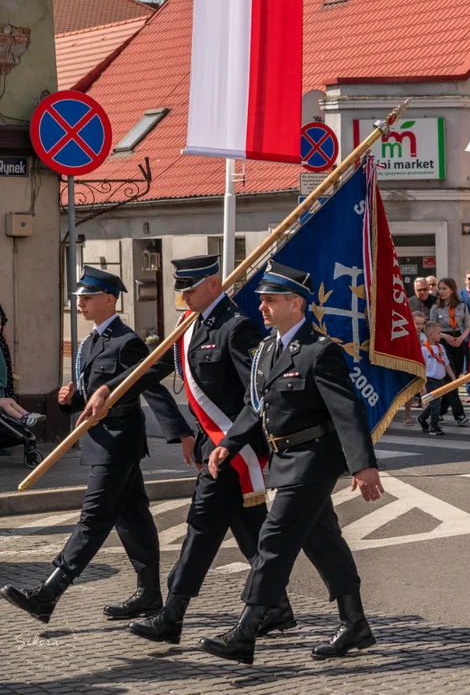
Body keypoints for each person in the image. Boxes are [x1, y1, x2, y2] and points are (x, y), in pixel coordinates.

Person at [73, 256, 294, 644]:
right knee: (250, 531)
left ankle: (171, 615)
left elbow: (256, 394)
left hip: (231, 450)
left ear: (214, 283)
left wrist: (231, 441)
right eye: (182, 289)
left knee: (200, 529)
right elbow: (153, 367)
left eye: (191, 288)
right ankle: (276, 607)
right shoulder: (192, 326)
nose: (185, 296)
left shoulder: (235, 327)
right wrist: (110, 388)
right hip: (215, 445)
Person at [198, 261, 383, 664]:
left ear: (296, 304)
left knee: (273, 541)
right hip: (285, 459)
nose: (261, 307)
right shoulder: (266, 349)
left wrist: (363, 465)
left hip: (314, 461)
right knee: (324, 541)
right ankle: (355, 623)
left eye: (270, 300)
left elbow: (347, 412)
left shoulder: (321, 352)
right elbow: (255, 406)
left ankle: (245, 632)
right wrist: (228, 444)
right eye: (262, 300)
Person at [1, 267, 194, 624]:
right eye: (79, 299)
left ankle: (49, 593)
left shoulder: (127, 341)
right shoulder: (90, 342)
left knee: (93, 518)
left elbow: (150, 385)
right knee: (133, 518)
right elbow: (91, 395)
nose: (81, 305)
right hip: (101, 440)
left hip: (120, 442)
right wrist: (68, 399)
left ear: (109, 300)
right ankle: (149, 594)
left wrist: (181, 433)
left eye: (87, 298)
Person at [431, 278, 470, 426]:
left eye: (444, 288)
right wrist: (445, 337)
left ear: (452, 290)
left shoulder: (462, 306)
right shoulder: (436, 308)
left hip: (458, 341)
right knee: (451, 377)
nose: (440, 291)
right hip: (442, 342)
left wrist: (461, 338)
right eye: (439, 289)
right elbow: (432, 329)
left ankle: (440, 410)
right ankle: (459, 414)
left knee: (456, 375)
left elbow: (467, 326)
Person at [419, 321, 451, 436]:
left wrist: (453, 377)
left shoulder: (441, 347)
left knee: (434, 403)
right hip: (429, 380)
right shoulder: (424, 350)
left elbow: (446, 363)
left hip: (440, 379)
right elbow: (421, 368)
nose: (440, 335)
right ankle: (434, 426)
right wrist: (422, 384)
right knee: (436, 403)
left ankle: (422, 418)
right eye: (438, 333)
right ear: (431, 334)